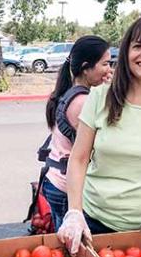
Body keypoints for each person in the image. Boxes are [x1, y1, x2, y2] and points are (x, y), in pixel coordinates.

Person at [57, 15, 141, 254]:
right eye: (138, 46)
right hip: (93, 223)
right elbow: (78, 159)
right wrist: (74, 211)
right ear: (126, 53)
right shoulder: (100, 97)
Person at [41, 36, 111, 232]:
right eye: (105, 63)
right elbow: (103, 144)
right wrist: (111, 93)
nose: (109, 69)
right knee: (72, 247)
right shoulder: (84, 102)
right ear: (87, 67)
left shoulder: (68, 91)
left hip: (55, 179)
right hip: (66, 187)